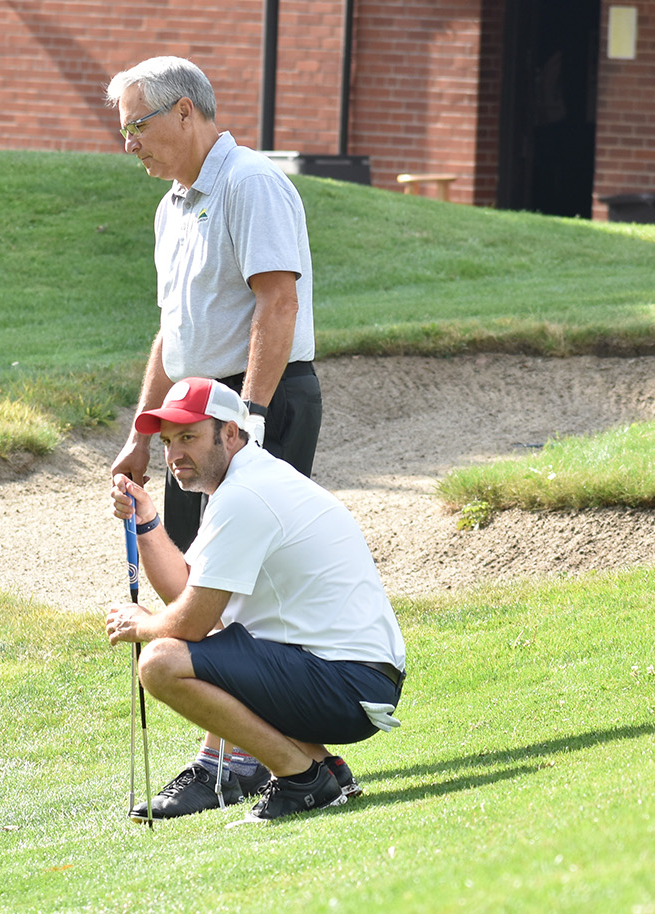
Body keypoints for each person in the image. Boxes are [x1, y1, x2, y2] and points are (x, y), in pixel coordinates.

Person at [105, 53, 325, 805]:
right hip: (194, 410)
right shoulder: (171, 206)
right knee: (202, 571)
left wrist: (246, 421)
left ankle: (231, 758)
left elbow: (277, 303)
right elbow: (174, 332)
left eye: (137, 125)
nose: (129, 142)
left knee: (238, 579)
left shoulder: (251, 183)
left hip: (252, 404)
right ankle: (235, 751)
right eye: (123, 130)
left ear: (185, 112)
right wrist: (143, 434)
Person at [106, 377, 406, 822]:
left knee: (160, 662)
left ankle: (301, 781)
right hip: (352, 678)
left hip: (347, 684)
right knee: (206, 648)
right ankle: (324, 767)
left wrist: (141, 624)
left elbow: (191, 624)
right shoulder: (247, 482)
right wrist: (147, 520)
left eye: (188, 437)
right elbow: (189, 589)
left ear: (229, 433)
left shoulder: (244, 495)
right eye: (167, 442)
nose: (173, 456)